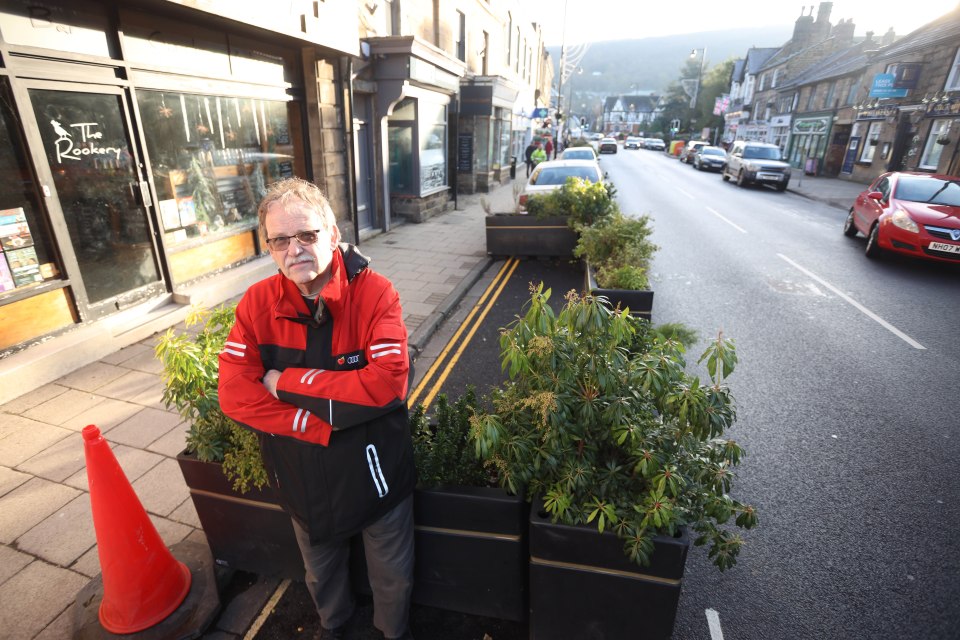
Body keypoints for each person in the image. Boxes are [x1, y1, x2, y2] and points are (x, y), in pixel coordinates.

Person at [218, 177, 415, 640]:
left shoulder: (376, 293)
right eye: (281, 240)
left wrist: (284, 381)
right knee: (320, 572)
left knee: (392, 574)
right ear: (269, 247)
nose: (295, 249)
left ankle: (394, 633)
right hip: (301, 471)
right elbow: (234, 394)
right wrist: (310, 421)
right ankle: (334, 626)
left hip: (374, 470)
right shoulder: (256, 303)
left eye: (306, 235)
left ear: (331, 233)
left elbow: (388, 385)